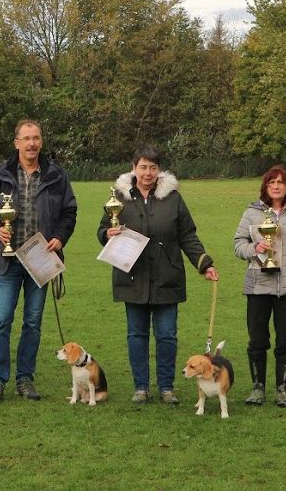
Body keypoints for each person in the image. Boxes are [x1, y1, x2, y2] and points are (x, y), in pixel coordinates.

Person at [97, 145, 218, 405]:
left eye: (153, 167)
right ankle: (141, 387)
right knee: (136, 335)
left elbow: (187, 234)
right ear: (133, 168)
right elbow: (103, 229)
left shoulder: (172, 198)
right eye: (143, 167)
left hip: (167, 277)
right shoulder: (118, 197)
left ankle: (166, 387)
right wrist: (106, 234)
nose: (148, 172)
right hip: (132, 277)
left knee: (166, 335)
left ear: (159, 170)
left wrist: (204, 263)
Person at [0, 119, 78, 404]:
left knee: (33, 322)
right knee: (2, 320)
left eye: (36, 138)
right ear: (16, 143)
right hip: (6, 259)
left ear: (41, 142)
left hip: (40, 258)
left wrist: (59, 236)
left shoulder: (56, 175)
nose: (31, 143)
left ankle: (24, 379)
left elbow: (69, 212)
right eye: (26, 138)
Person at [232, 165, 286, 407]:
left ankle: (282, 389)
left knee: (285, 342)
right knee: (257, 340)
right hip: (258, 287)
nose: (276, 186)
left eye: (281, 182)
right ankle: (257, 388)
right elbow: (238, 244)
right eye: (271, 182)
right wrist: (253, 249)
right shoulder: (251, 213)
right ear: (265, 187)